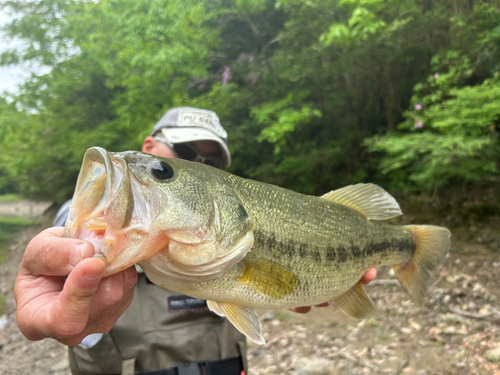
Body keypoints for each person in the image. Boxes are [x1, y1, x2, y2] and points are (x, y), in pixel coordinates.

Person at [14, 106, 377, 374]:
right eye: (184, 157)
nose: (200, 164)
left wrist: (328, 281)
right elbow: (74, 226)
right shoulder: (119, 214)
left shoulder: (224, 224)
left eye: (211, 161)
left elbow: (275, 281)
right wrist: (63, 259)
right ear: (150, 146)